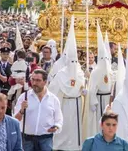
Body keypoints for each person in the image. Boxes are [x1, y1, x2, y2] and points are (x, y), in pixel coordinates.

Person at [48, 16, 85, 150]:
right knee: (65, 127)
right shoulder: (61, 74)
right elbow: (53, 90)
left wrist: (84, 90)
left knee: (75, 128)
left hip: (77, 104)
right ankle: (61, 145)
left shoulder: (80, 73)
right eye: (72, 61)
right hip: (64, 104)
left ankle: (75, 146)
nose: (74, 64)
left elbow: (82, 86)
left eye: (76, 61)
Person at [14, 69, 63, 151]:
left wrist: (56, 127)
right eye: (33, 80)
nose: (34, 83)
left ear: (45, 82)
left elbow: (59, 119)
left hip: (46, 138)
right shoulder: (24, 97)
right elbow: (15, 119)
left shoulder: (53, 99)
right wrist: (22, 110)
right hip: (27, 139)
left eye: (38, 80)